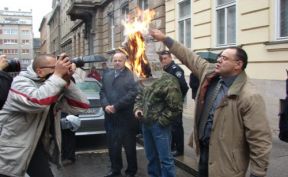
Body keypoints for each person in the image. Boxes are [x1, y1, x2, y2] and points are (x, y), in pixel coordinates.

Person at [150, 29, 272, 177]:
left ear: (238, 65)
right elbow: (189, 57)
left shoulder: (249, 96)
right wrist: (165, 39)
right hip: (204, 152)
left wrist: (257, 173)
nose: (219, 60)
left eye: (225, 58)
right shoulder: (211, 74)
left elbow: (260, 139)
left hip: (227, 163)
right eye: (220, 56)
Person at [0, 53, 89, 177]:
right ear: (40, 71)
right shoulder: (20, 82)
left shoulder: (51, 84)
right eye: (55, 67)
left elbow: (82, 106)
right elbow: (38, 101)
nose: (59, 70)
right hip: (12, 148)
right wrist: (58, 76)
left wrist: (67, 81)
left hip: (35, 146)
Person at [134, 72, 183, 177]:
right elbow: (139, 96)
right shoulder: (146, 78)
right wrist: (138, 109)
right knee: (151, 157)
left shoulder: (168, 79)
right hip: (146, 124)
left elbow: (176, 106)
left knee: (165, 159)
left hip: (160, 126)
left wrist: (161, 121)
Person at [100, 52, 138, 177]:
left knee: (129, 147)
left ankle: (131, 171)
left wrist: (116, 107)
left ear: (124, 61)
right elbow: (102, 92)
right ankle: (115, 170)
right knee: (113, 147)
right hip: (110, 118)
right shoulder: (107, 75)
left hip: (126, 118)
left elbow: (132, 94)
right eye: (115, 60)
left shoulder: (131, 75)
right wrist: (106, 105)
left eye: (119, 60)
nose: (117, 62)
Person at [159, 50, 188, 157]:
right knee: (170, 126)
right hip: (166, 104)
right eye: (162, 59)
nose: (163, 61)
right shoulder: (165, 70)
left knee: (177, 127)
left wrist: (178, 100)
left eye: (165, 58)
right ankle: (172, 146)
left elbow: (184, 86)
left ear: (171, 58)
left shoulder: (176, 69)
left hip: (174, 104)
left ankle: (179, 150)